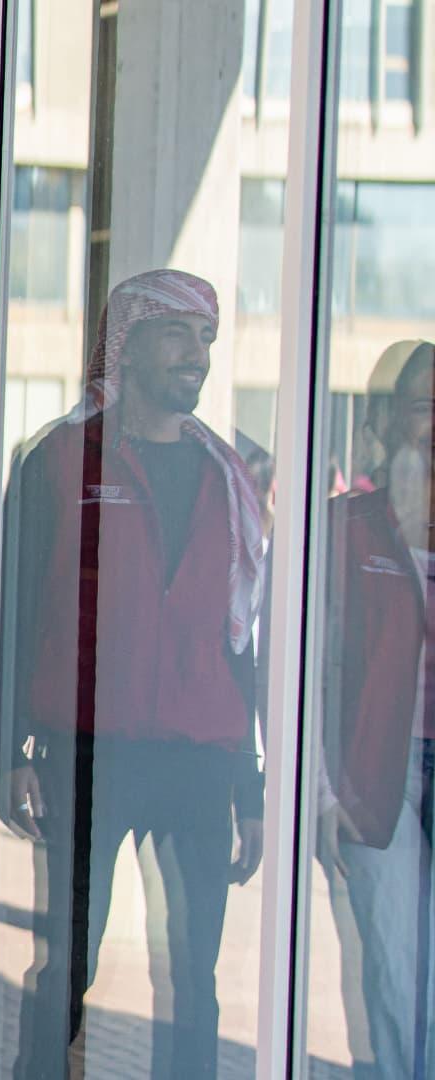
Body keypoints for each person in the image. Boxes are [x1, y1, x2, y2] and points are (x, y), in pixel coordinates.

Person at [0, 270, 268, 1079]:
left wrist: (250, 792)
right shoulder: (60, 460)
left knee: (196, 980)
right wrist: (13, 747)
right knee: (67, 965)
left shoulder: (231, 476)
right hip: (87, 752)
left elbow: (243, 638)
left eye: (207, 339)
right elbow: (12, 611)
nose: (197, 355)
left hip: (200, 758)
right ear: (129, 342)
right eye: (178, 335)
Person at [318, 340, 433, 1078]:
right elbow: (301, 667)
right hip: (381, 775)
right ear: (388, 419)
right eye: (424, 407)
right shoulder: (346, 526)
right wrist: (324, 791)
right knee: (400, 980)